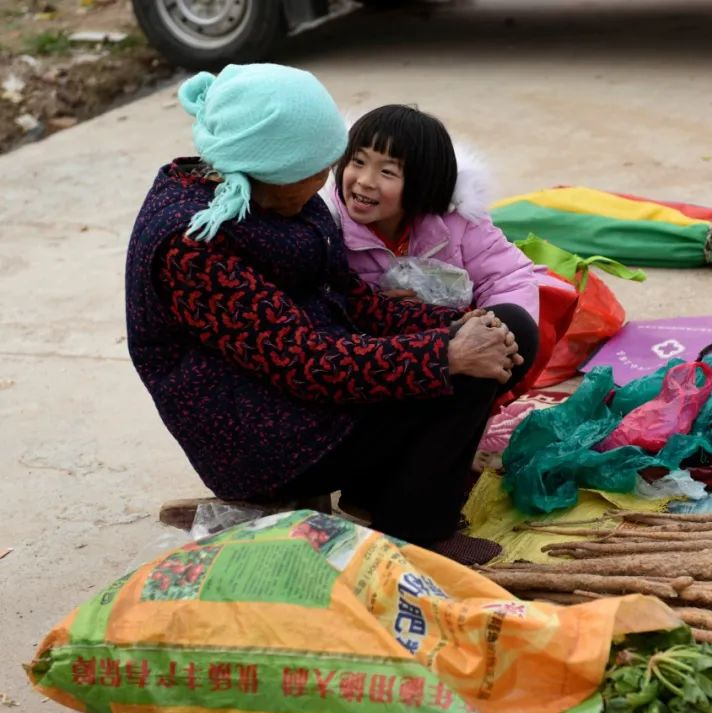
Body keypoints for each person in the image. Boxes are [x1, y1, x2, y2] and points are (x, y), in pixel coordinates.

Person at [125, 64, 536, 565]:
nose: (333, 181)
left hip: (315, 398)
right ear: (272, 164)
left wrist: (458, 324)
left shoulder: (279, 198)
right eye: (322, 167)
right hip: (271, 438)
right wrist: (443, 353)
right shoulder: (193, 245)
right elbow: (305, 363)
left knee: (507, 333)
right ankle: (416, 530)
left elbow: (347, 300)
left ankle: (378, 489)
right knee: (464, 372)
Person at [323, 104, 541, 323]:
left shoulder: (457, 221)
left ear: (421, 185)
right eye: (358, 162)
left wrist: (495, 332)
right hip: (385, 349)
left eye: (387, 172)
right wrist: (376, 311)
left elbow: (508, 278)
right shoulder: (327, 231)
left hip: (463, 338)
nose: (365, 181)